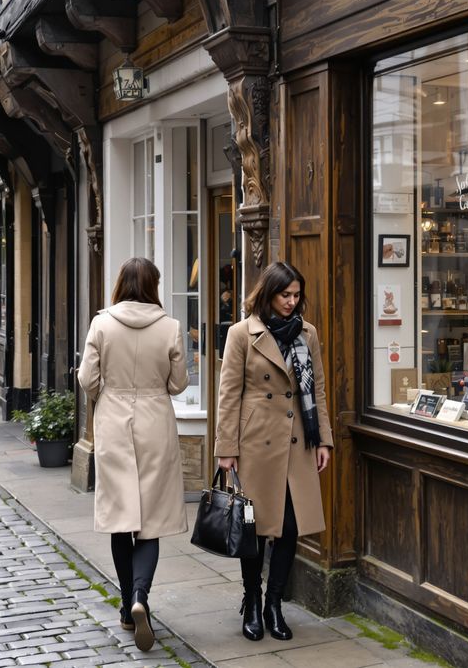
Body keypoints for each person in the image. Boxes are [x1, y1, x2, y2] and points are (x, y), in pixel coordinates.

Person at [214, 261, 334, 642]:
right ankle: (251, 600)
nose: (292, 302)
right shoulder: (241, 334)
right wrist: (225, 449)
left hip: (298, 440)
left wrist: (324, 439)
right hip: (255, 443)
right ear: (268, 294)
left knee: (290, 527)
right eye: (285, 295)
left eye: (297, 296)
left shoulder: (307, 333)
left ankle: (274, 604)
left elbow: (318, 390)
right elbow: (228, 394)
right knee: (253, 527)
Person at [77, 258, 188, 652]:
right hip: (155, 421)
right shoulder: (170, 326)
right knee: (151, 520)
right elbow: (178, 384)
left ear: (121, 284)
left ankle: (127, 606)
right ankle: (141, 595)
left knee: (122, 519)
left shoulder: (102, 323)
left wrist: (109, 393)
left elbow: (87, 379)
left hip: (114, 422)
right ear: (154, 286)